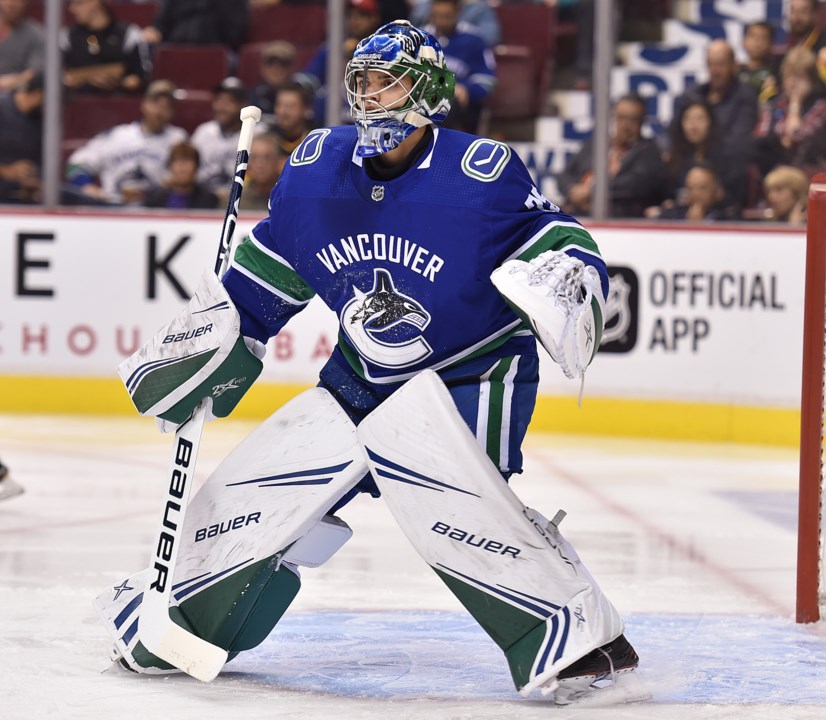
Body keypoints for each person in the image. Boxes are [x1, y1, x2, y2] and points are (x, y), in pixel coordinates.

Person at [96, 21, 644, 708]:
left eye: (388, 80)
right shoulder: (317, 171)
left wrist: (566, 274)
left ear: (431, 92)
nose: (370, 94)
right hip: (359, 375)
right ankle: (184, 620)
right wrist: (213, 344)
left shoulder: (480, 176)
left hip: (473, 372)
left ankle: (584, 642)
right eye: (362, 79)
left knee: (444, 492)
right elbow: (265, 281)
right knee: (257, 492)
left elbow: (559, 238)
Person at [64, 79, 188, 205]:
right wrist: (85, 185)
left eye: (167, 107)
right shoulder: (117, 136)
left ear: (173, 112)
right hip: (113, 208)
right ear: (144, 104)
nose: (159, 111)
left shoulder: (178, 139)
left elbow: (189, 178)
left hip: (156, 211)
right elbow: (78, 163)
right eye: (155, 103)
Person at [557, 93, 665, 217]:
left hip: (615, 215)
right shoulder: (597, 144)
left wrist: (592, 191)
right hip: (576, 210)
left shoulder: (649, 150)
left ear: (642, 121)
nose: (626, 125)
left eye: (633, 119)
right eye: (621, 117)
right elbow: (564, 175)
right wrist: (572, 191)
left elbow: (635, 184)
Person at [752, 45, 826, 175]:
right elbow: (761, 136)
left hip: (806, 170)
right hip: (774, 169)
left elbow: (797, 137)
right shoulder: (774, 104)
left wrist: (795, 103)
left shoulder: (822, 107)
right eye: (789, 76)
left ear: (812, 81)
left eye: (800, 77)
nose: (792, 83)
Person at [670, 39, 758, 158]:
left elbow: (738, 141)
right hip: (687, 160)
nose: (715, 71)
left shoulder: (745, 97)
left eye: (721, 64)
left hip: (725, 162)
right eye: (711, 64)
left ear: (733, 65)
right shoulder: (691, 95)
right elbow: (671, 133)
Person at [302, 0, 381, 125]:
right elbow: (309, 78)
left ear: (375, 18)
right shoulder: (332, 47)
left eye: (362, 15)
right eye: (350, 15)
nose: (355, 21)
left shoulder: (385, 48)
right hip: (336, 112)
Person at [424, 0, 496, 134]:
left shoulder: (473, 38)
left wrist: (467, 89)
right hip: (424, 99)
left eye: (447, 16)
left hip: (460, 107)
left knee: (446, 103)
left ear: (458, 11)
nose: (441, 21)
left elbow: (487, 80)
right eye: (437, 16)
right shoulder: (421, 37)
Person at [663, 99, 745, 211]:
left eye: (700, 119)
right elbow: (669, 194)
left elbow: (734, 197)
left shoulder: (727, 157)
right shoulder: (675, 158)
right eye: (687, 119)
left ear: (711, 122)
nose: (693, 125)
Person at [60, 0, 150, 94]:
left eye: (78, 3)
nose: (72, 9)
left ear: (95, 2)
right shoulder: (67, 36)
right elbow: (60, 76)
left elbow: (140, 78)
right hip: (76, 102)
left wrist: (117, 83)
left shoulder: (128, 33)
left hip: (119, 100)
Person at [192, 77, 249, 203]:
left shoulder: (255, 134)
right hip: (202, 200)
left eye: (229, 102)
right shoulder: (203, 132)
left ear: (242, 105)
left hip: (242, 202)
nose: (222, 107)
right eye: (219, 100)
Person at [785, 0, 826, 99]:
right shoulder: (789, 47)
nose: (796, 18)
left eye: (803, 12)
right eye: (793, 11)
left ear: (815, 14)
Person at [0, 71, 42, 204]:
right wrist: (6, 171)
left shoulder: (40, 120)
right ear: (37, 94)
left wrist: (33, 178)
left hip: (24, 194)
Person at [141, 0, 249, 49]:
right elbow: (162, 22)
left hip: (215, 50)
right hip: (175, 47)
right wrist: (155, 31)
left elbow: (236, 32)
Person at [647, 164, 737, 222]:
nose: (696, 193)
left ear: (718, 191)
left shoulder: (728, 219)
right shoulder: (672, 215)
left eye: (702, 188)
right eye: (691, 188)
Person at [143, 141, 219, 209]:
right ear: (170, 166)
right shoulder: (155, 199)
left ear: (197, 166)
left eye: (187, 161)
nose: (182, 167)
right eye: (177, 161)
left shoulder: (208, 199)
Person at [410, 0, 501, 47]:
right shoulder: (425, 5)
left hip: (463, 56)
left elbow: (491, 37)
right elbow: (414, 25)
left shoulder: (478, 7)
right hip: (429, 53)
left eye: (447, 15)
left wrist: (459, 36)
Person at [0, 0, 44, 92]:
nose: (11, 3)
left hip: (14, 96)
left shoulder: (36, 34)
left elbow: (33, 74)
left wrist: (7, 83)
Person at [251, 40, 297, 119]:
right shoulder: (256, 94)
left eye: (283, 63)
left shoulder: (300, 95)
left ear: (292, 68)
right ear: (262, 67)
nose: (276, 69)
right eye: (270, 63)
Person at [269, 80, 315, 155]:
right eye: (279, 105)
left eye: (290, 106)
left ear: (306, 109)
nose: (282, 112)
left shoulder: (317, 140)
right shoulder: (268, 139)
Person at [241, 131, 283, 211]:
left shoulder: (289, 200)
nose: (260, 164)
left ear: (278, 161)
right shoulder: (236, 201)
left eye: (267, 157)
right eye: (254, 158)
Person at [739, 20, 777, 105]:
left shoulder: (775, 72)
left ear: (771, 43)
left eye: (763, 38)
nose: (757, 42)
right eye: (753, 36)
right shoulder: (735, 71)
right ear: (744, 41)